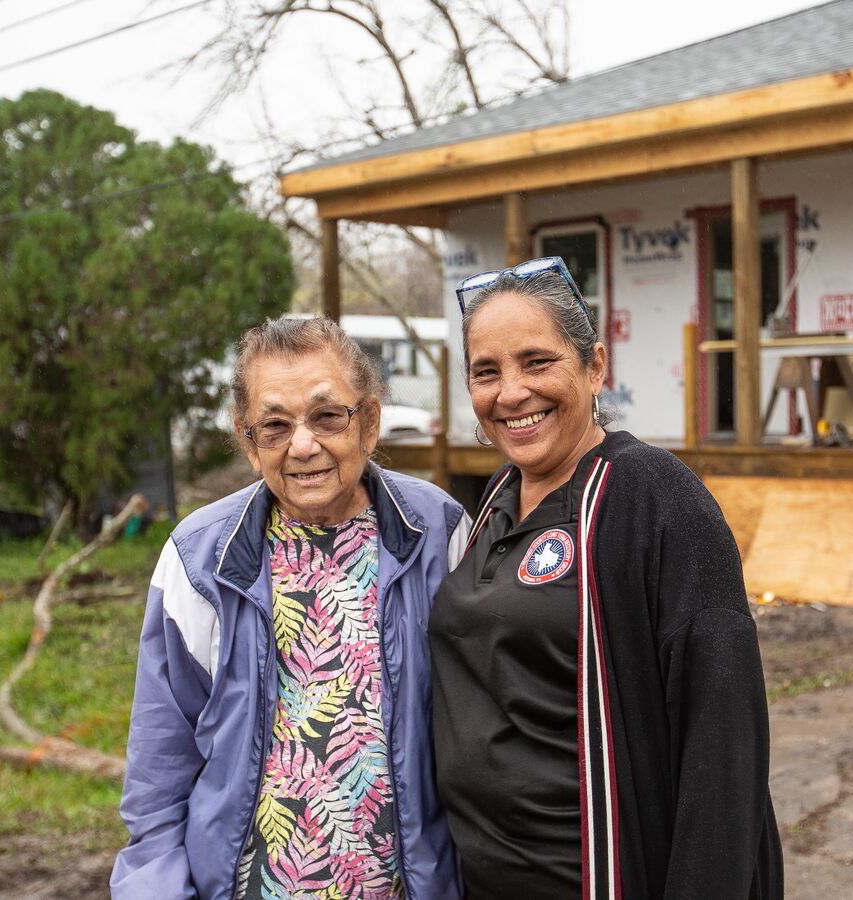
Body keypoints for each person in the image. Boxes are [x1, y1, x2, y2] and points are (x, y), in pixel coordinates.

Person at [429, 258, 783, 899]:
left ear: (594, 366)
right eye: (487, 372)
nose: (510, 393)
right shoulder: (496, 500)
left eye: (537, 362)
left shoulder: (653, 498)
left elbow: (724, 749)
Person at [113, 317, 467, 900]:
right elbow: (158, 777)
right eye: (275, 426)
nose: (303, 445)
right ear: (250, 444)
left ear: (370, 423)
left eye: (328, 417)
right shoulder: (199, 560)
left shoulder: (439, 535)